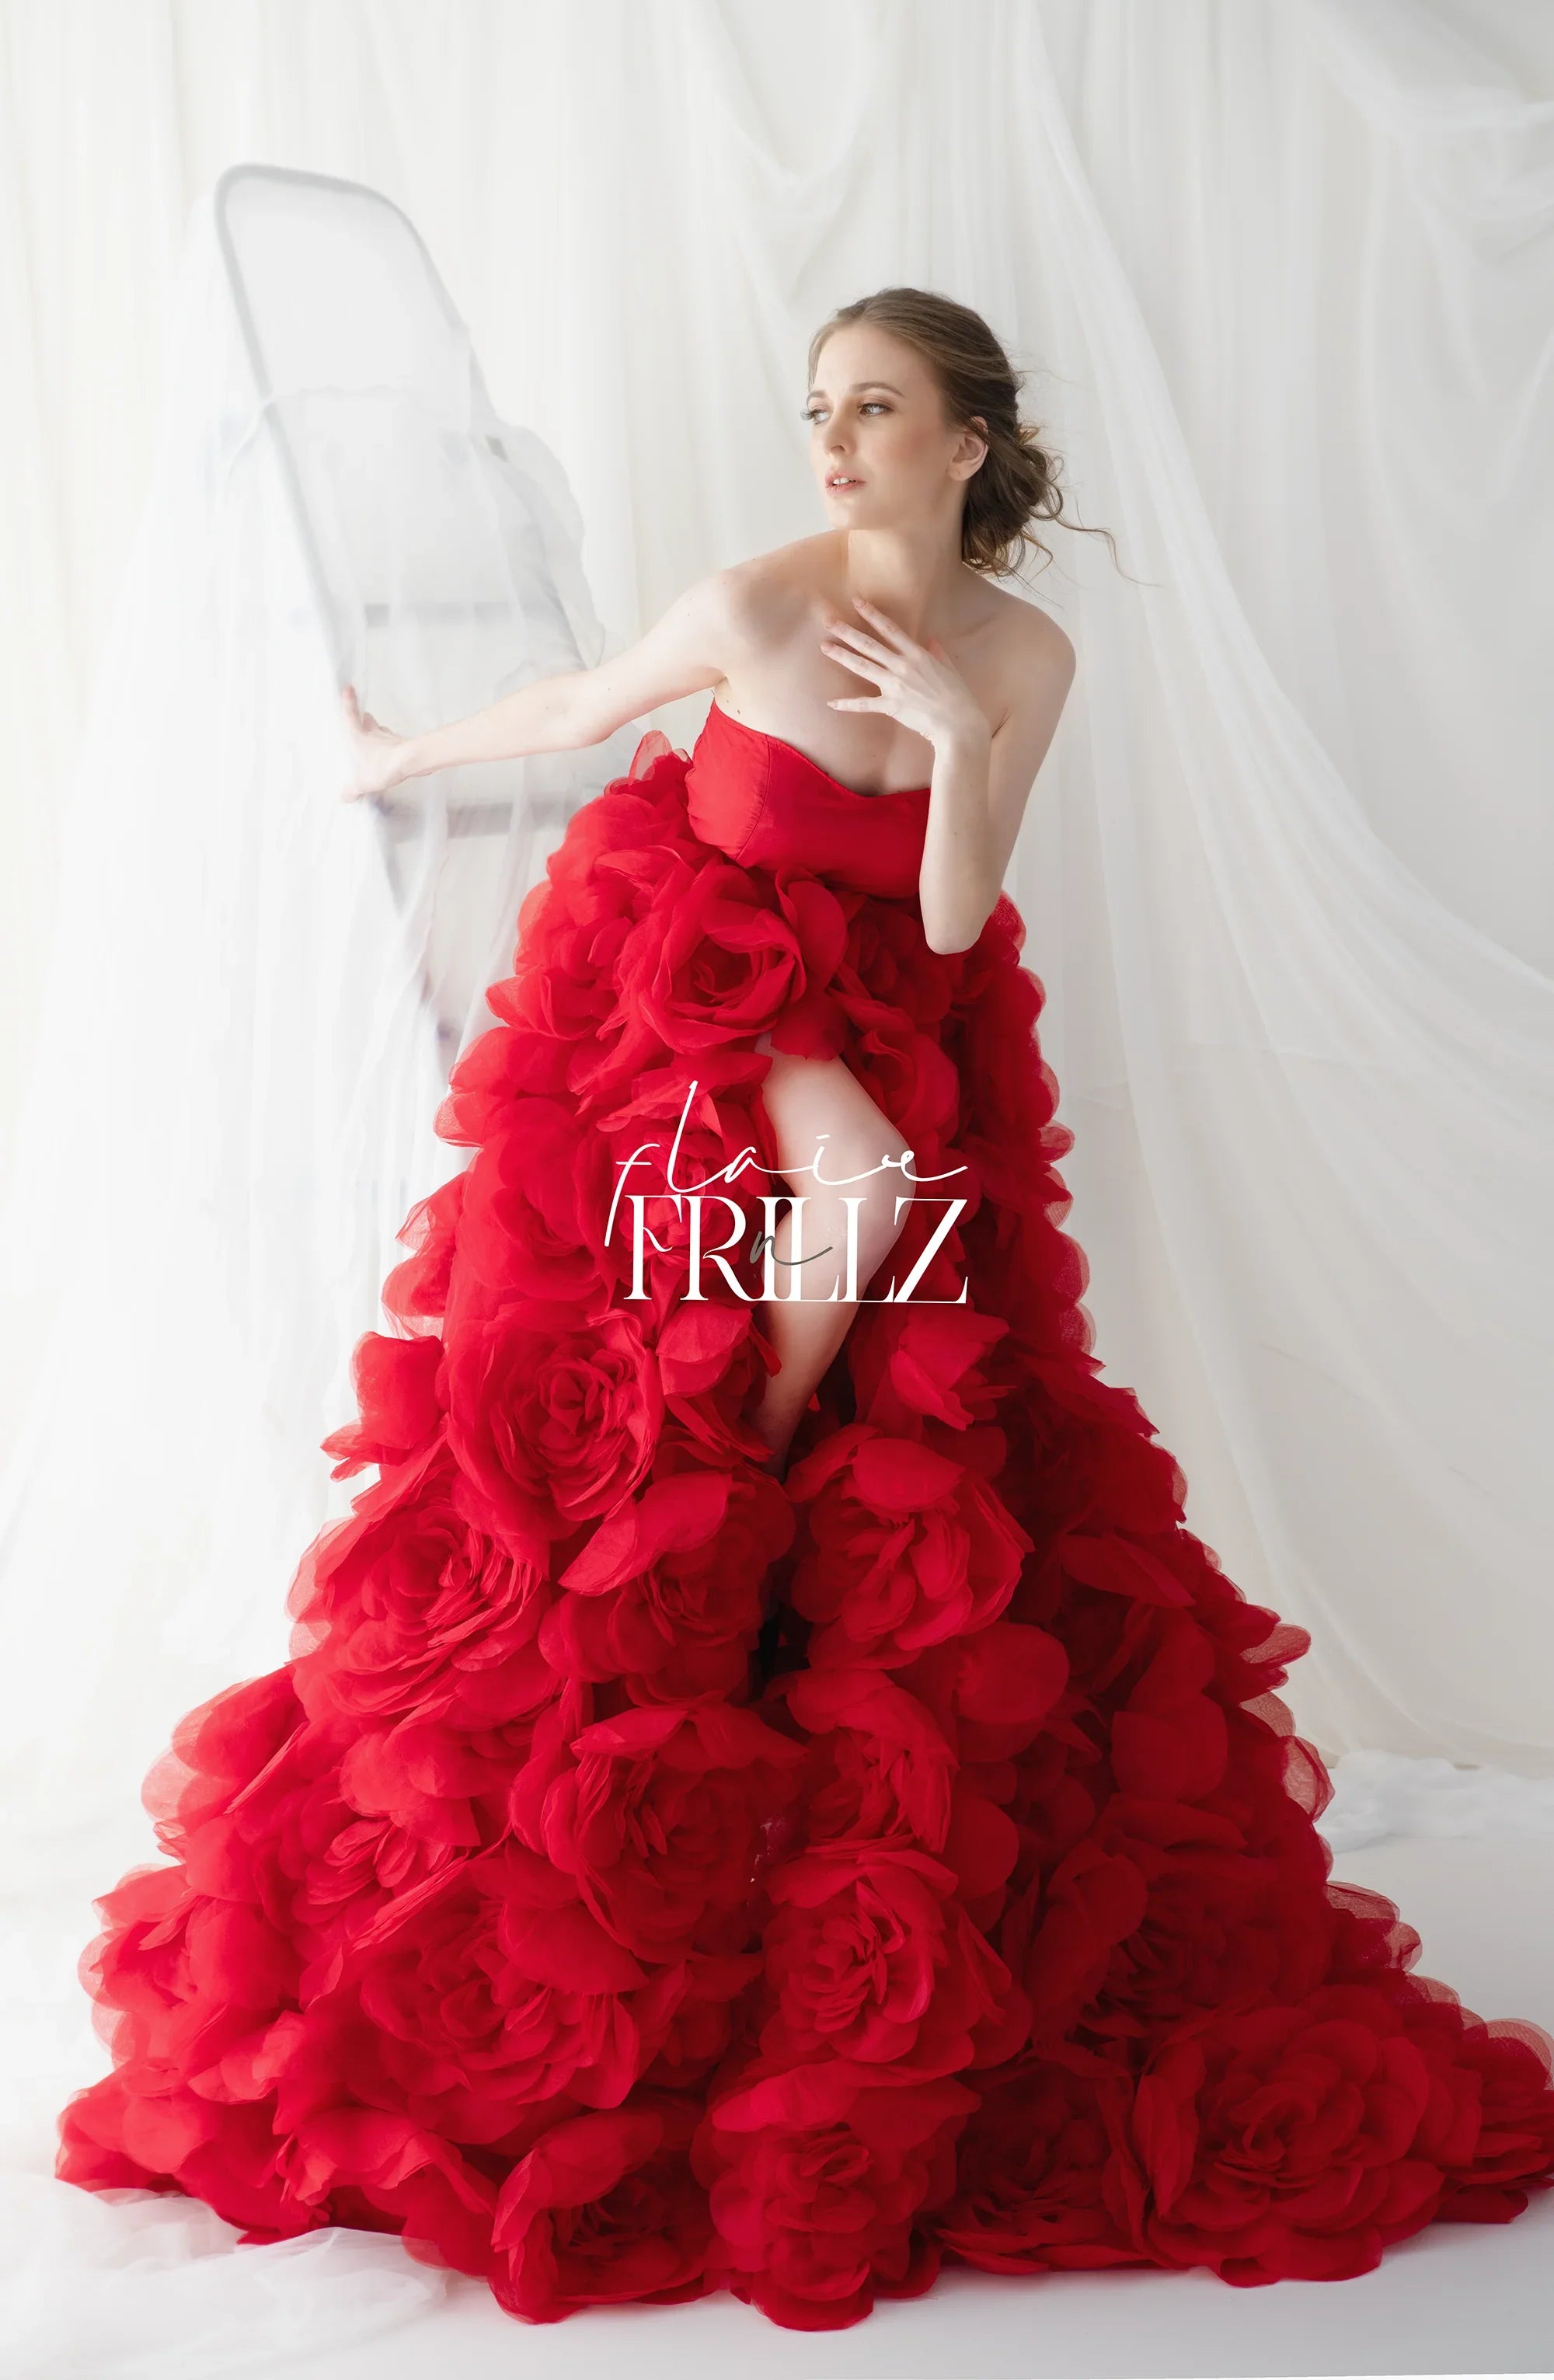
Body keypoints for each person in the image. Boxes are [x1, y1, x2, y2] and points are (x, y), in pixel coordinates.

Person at [55, 287, 1554, 2333]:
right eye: (820, 409)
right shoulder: (759, 601)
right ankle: (733, 1442)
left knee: (918, 1263)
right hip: (690, 960)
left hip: (887, 989)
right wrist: (397, 745)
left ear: (965, 443)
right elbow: (586, 706)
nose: (835, 443)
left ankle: (780, 1442)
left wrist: (952, 743)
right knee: (859, 1185)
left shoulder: (1024, 649)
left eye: (876, 411)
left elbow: (951, 914)